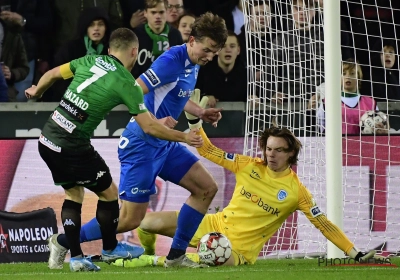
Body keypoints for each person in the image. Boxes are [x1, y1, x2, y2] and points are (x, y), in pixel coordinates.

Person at [48, 12, 228, 269]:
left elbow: (175, 93)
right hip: (142, 144)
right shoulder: (171, 61)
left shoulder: (194, 62)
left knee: (206, 188)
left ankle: (176, 256)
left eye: (214, 52)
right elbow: (134, 88)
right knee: (130, 220)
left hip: (163, 144)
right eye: (207, 50)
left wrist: (199, 111)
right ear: (191, 40)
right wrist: (153, 118)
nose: (209, 57)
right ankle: (64, 240)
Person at [112, 116, 386, 267]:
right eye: (268, 149)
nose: (271, 155)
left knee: (212, 258)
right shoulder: (248, 165)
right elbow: (209, 151)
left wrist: (353, 252)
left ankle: (148, 260)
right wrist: (196, 122)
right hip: (211, 224)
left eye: (279, 150)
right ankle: (146, 249)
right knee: (145, 223)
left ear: (291, 153)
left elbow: (323, 224)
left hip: (237, 250)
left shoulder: (296, 192)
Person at [42, 7, 111, 102]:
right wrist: (75, 98)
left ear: (106, 28)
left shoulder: (112, 51)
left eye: (100, 24)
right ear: (85, 27)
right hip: (70, 102)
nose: (96, 28)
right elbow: (59, 79)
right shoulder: (70, 49)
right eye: (91, 25)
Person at [313, 59, 379, 135]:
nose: (348, 77)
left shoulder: (371, 103)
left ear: (359, 76)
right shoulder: (327, 102)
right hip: (338, 146)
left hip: (365, 146)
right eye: (344, 73)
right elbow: (319, 130)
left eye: (352, 73)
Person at [131, 0, 183, 78]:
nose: (158, 16)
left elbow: (180, 64)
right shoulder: (136, 35)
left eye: (161, 12)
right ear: (145, 13)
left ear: (166, 12)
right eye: (153, 12)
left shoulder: (175, 34)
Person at [196, 30, 247, 107]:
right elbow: (190, 96)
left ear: (238, 50)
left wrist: (252, 97)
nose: (228, 50)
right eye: (223, 46)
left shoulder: (246, 75)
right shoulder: (203, 72)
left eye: (232, 46)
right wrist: (204, 97)